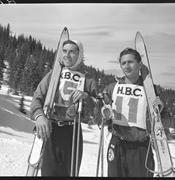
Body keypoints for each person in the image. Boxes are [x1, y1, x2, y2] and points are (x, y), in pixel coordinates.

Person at [30, 39, 98, 176]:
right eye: (64, 51)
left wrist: (87, 98)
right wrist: (39, 116)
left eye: (72, 52)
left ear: (80, 55)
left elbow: (98, 110)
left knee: (69, 173)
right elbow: (37, 98)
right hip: (50, 129)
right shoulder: (54, 75)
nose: (67, 55)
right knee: (48, 172)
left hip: (72, 132)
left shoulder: (88, 80)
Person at [102, 48, 164, 177]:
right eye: (123, 63)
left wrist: (159, 111)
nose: (126, 66)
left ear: (139, 64)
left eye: (130, 62)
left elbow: (161, 121)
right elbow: (99, 115)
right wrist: (104, 115)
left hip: (140, 147)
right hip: (117, 144)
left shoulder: (150, 89)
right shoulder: (112, 87)